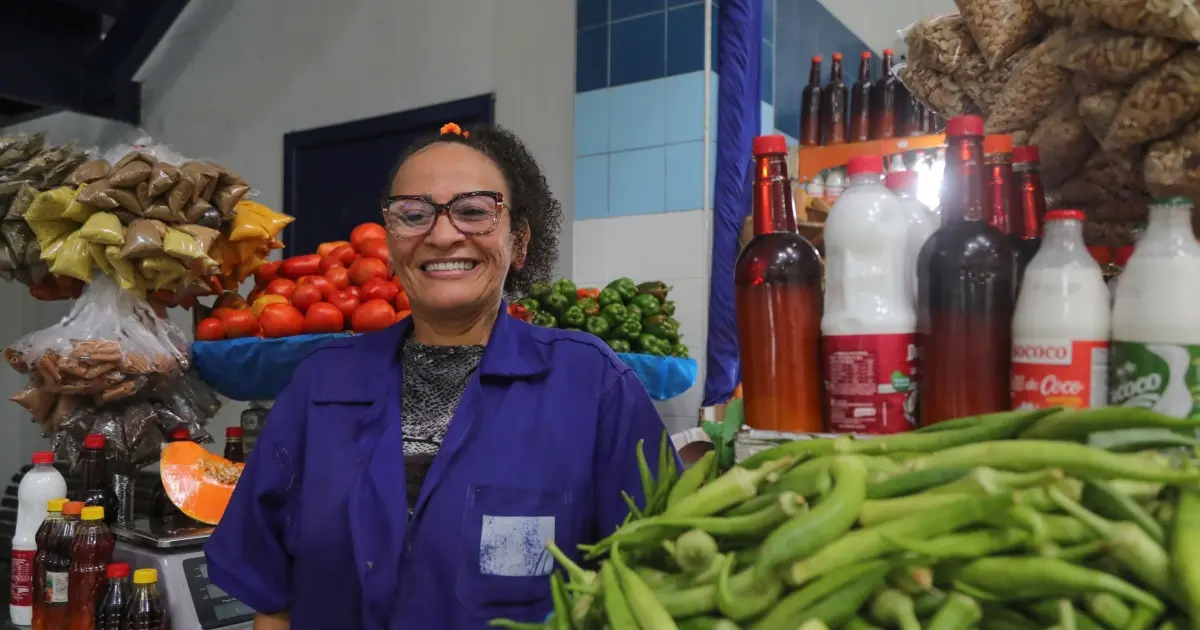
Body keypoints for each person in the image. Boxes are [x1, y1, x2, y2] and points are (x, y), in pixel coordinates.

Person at [205, 123, 674, 630]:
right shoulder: (320, 385)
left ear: (518, 241)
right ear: (390, 242)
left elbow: (655, 583)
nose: (444, 234)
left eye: (475, 211)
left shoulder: (594, 386)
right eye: (414, 214)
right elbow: (273, 600)